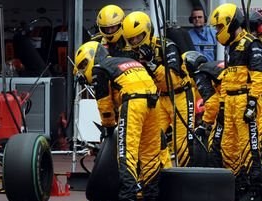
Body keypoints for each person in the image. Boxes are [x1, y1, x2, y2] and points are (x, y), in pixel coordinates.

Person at [74, 41, 161, 201]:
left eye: (82, 66)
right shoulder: (126, 62)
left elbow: (104, 103)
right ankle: (152, 196)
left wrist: (108, 127)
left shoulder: (99, 68)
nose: (84, 72)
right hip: (154, 102)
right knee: (150, 155)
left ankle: (128, 196)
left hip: (134, 102)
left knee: (126, 153)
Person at [122, 11, 196, 168]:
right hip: (159, 99)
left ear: (148, 31)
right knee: (154, 140)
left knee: (182, 144)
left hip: (181, 95)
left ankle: (188, 181)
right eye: (131, 39)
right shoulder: (132, 54)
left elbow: (173, 80)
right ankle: (163, 175)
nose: (135, 42)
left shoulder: (166, 46)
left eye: (138, 37)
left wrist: (151, 64)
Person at [209, 3, 262, 200]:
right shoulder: (231, 46)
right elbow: (227, 78)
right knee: (228, 147)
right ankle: (236, 186)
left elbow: (258, 77)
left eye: (219, 27)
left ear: (231, 23)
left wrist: (251, 104)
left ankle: (254, 191)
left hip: (244, 100)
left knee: (248, 147)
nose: (217, 32)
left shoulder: (251, 43)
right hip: (229, 102)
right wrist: (222, 105)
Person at [182, 51, 225, 168]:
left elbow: (212, 104)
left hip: (233, 105)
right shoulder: (213, 67)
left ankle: (217, 180)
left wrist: (205, 124)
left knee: (214, 145)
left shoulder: (200, 73)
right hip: (251, 100)